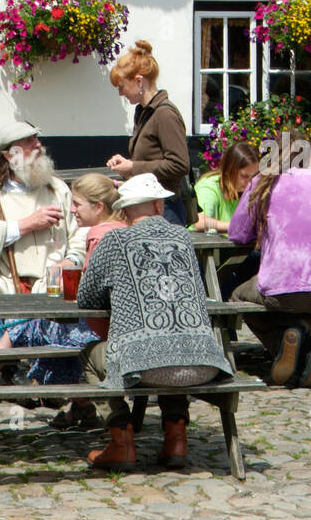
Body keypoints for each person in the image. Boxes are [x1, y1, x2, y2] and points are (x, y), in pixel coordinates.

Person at [77, 174, 232, 472]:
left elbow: (86, 297)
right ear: (159, 205)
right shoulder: (184, 239)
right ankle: (176, 439)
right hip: (205, 362)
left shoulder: (115, 241)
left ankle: (121, 442)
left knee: (91, 353)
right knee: (169, 344)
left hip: (143, 366)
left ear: (124, 210)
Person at [0, 173, 126, 427]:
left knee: (32, 321)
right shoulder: (119, 229)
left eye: (77, 204)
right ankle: (80, 407)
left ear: (99, 207)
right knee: (37, 319)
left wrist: (70, 286)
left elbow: (95, 296)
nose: (72, 209)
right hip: (112, 327)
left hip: (102, 332)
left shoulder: (99, 236)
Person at [228, 134, 311, 388]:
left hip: (280, 283)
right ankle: (304, 345)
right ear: (309, 156)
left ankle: (285, 345)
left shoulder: (262, 183)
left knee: (237, 296)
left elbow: (237, 233)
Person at [0, 121, 86, 301]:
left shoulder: (57, 189)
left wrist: (71, 261)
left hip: (52, 281)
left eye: (36, 138)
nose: (38, 145)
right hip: (2, 282)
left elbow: (80, 233)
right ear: (11, 156)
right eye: (29, 141)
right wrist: (25, 225)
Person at [107, 40, 191, 225]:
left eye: (121, 86)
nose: (120, 93)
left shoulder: (164, 114)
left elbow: (179, 165)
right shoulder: (145, 112)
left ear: (139, 81)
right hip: (151, 206)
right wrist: (128, 166)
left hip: (165, 208)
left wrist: (133, 167)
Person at [192, 142, 260, 234]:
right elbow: (198, 222)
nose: (250, 183)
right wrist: (235, 226)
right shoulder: (209, 186)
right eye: (244, 176)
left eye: (254, 176)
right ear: (229, 170)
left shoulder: (248, 188)